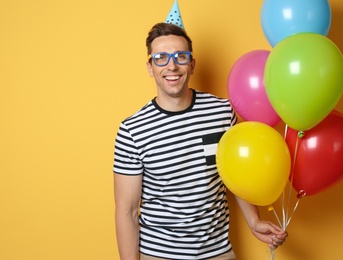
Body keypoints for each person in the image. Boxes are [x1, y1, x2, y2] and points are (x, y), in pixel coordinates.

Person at [113, 22, 287, 260]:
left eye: (180, 56)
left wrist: (254, 221)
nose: (171, 66)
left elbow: (236, 173)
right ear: (150, 67)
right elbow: (127, 212)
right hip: (159, 255)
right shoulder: (132, 130)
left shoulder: (222, 112)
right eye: (161, 58)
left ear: (192, 64)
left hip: (217, 253)